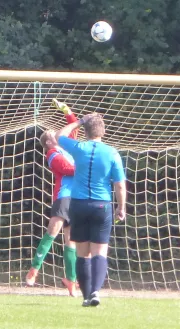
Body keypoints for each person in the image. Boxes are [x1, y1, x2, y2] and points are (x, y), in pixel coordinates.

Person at [55, 111, 127, 307]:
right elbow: (120, 185)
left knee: (82, 253)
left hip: (78, 205)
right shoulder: (112, 153)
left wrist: (78, 121)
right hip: (101, 205)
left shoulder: (79, 147)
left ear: (85, 131)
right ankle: (95, 292)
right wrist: (121, 207)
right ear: (103, 131)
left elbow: (58, 136)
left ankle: (87, 296)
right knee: (99, 252)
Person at [25, 99, 78, 296]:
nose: (59, 133)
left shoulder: (66, 146)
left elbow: (73, 127)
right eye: (54, 134)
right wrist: (87, 169)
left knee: (71, 239)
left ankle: (71, 281)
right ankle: (35, 268)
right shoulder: (52, 154)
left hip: (77, 198)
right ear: (49, 141)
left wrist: (67, 110)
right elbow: (66, 169)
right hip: (64, 197)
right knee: (53, 231)